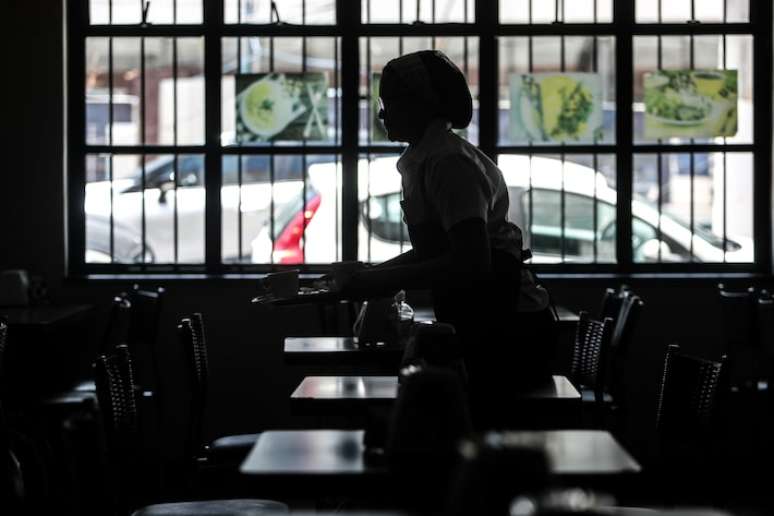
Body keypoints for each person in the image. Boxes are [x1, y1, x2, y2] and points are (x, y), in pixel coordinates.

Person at [337, 50, 556, 428]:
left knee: (488, 440)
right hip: (484, 320)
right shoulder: (425, 160)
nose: (382, 114)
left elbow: (472, 262)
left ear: (421, 106)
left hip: (510, 329)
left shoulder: (448, 164)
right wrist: (370, 275)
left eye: (390, 104)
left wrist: (379, 280)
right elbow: (431, 253)